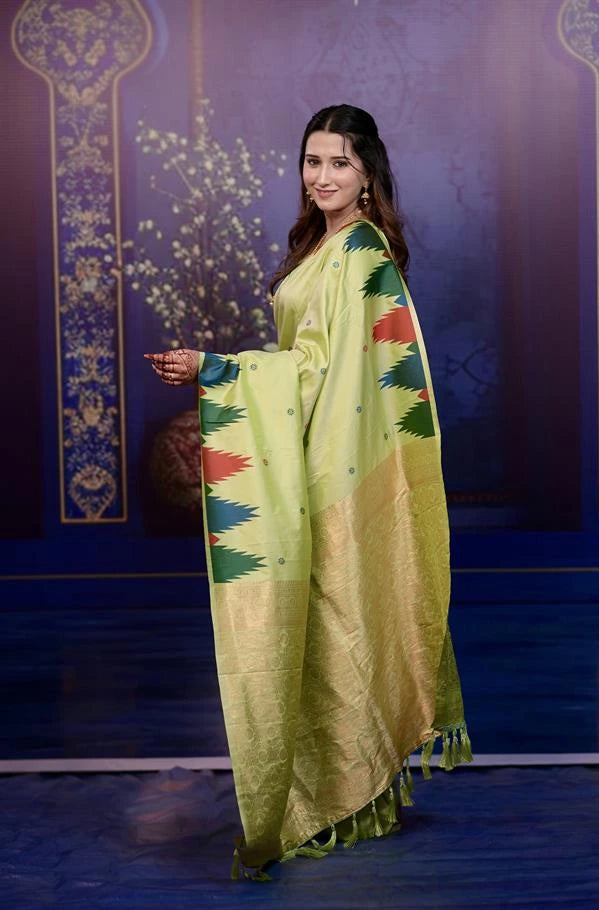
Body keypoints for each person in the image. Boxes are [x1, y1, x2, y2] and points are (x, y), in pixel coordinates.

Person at [145, 104, 471, 878]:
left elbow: (321, 369)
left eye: (339, 164)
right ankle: (340, 798)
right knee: (325, 632)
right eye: (312, 161)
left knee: (340, 623)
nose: (321, 177)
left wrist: (216, 369)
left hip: (339, 468)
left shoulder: (361, 253)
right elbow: (308, 360)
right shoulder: (322, 244)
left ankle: (348, 801)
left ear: (368, 176)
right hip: (309, 451)